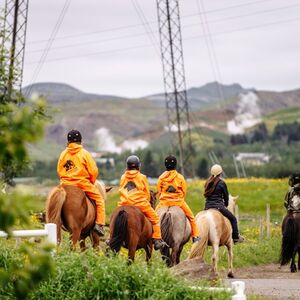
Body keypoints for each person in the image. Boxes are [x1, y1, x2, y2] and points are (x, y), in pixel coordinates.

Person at [57, 129, 105, 236]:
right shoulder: (85, 154)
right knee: (99, 199)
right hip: (82, 184)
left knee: (54, 197)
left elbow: (59, 171)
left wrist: (65, 180)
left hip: (65, 185)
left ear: (68, 142)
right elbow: (93, 171)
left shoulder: (63, 154)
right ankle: (99, 225)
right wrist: (91, 182)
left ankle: (47, 214)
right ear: (80, 141)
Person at [118, 155, 168, 250]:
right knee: (156, 218)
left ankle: (110, 238)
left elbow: (121, 189)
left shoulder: (123, 177)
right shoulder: (142, 177)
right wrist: (145, 200)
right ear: (138, 166)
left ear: (127, 166)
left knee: (116, 217)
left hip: (124, 203)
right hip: (140, 204)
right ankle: (157, 240)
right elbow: (147, 193)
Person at [156, 155, 201, 243]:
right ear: (175, 165)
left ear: (165, 165)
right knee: (191, 218)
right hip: (179, 202)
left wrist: (164, 199)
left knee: (153, 219)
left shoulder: (161, 177)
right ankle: (195, 236)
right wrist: (178, 198)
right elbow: (184, 191)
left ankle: (155, 238)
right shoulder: (180, 177)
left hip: (164, 203)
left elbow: (159, 191)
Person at [204, 164, 244, 244]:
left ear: (211, 173)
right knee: (233, 219)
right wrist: (225, 205)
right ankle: (235, 238)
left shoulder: (207, 182)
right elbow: (226, 197)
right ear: (220, 173)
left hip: (208, 207)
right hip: (219, 207)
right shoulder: (222, 183)